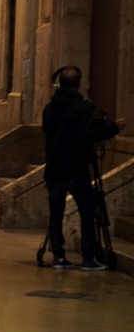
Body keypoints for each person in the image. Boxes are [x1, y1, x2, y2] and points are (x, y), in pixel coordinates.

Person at [42, 65, 126, 270]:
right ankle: (88, 258)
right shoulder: (84, 108)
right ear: (78, 84)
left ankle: (58, 257)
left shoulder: (50, 108)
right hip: (76, 168)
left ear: (59, 84)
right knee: (87, 212)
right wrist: (113, 127)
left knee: (56, 214)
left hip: (54, 168)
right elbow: (89, 135)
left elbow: (46, 130)